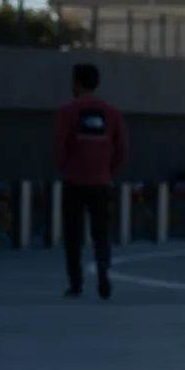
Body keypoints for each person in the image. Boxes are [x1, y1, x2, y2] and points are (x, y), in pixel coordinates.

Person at [53, 62, 127, 299]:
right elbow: (123, 148)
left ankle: (76, 282)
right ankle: (103, 270)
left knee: (73, 234)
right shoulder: (112, 113)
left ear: (77, 83)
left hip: (74, 181)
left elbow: (59, 147)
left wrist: (68, 166)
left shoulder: (66, 112)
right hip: (101, 182)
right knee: (101, 231)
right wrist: (108, 170)